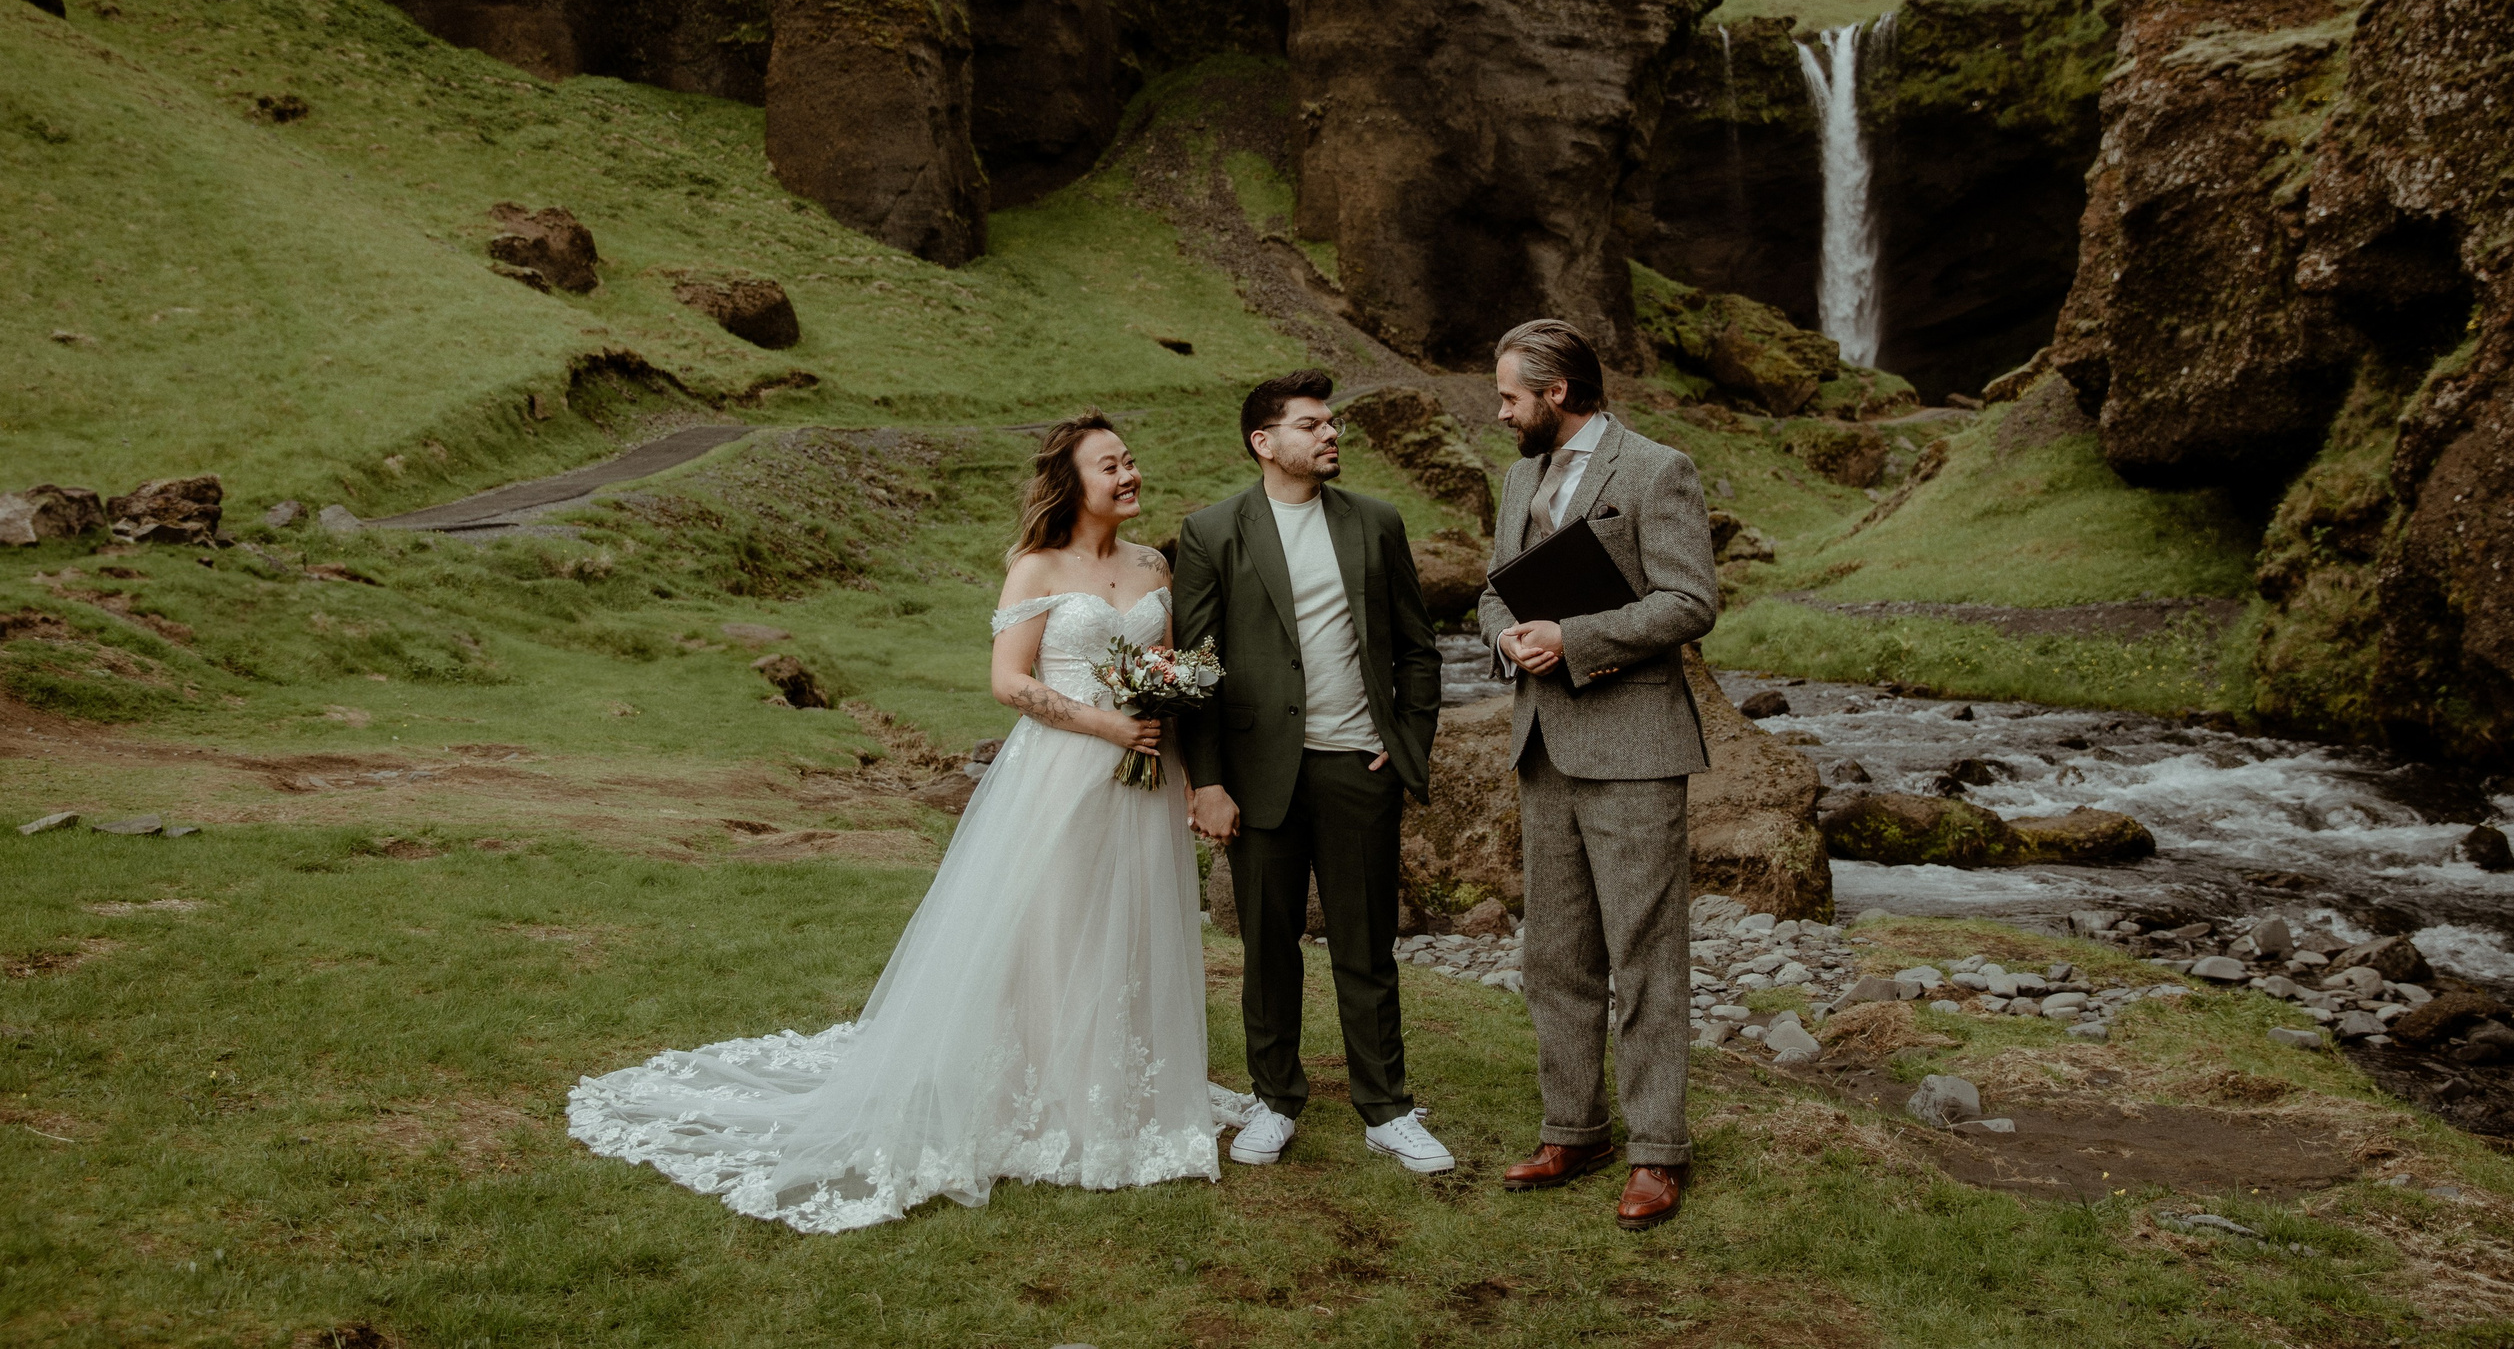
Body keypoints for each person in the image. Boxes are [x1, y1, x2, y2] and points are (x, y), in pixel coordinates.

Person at [565, 413, 1250, 1230]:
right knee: (1055, 928)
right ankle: (1049, 1099)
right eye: (1111, 464)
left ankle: (1131, 1091)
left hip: (1141, 777)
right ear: (1073, 482)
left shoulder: (1151, 564)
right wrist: (1106, 726)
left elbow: (1161, 668)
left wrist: (1171, 750)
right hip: (1063, 773)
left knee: (1133, 927)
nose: (1130, 473)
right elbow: (1007, 682)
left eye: (1131, 459)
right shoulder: (1035, 568)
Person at [1173, 370, 1451, 1173]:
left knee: (1367, 947)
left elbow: (1417, 648)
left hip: (1358, 767)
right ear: (1265, 443)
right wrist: (1209, 781)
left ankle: (1387, 1109)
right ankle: (1273, 1101)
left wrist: (1406, 743)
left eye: (1332, 424)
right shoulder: (1211, 532)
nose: (1331, 435)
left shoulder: (1376, 522)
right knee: (1269, 945)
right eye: (1311, 424)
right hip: (1257, 775)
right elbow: (1198, 666)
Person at [1477, 319, 1718, 1230]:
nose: (1500, 413)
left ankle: (1658, 1151)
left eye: (1509, 397)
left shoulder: (1659, 470)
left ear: (1558, 395)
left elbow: (1691, 601)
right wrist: (1506, 635)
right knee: (1554, 954)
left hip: (1636, 750)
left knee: (1646, 955)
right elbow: (1496, 588)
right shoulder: (1517, 477)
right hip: (1542, 745)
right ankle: (1573, 1129)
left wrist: (1574, 637)